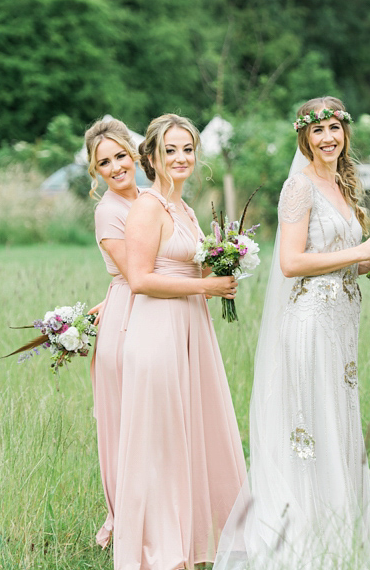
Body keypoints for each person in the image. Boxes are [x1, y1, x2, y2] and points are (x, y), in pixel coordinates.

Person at [214, 97, 370, 570]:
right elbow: (291, 262)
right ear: (304, 138)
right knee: (310, 429)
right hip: (311, 324)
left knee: (335, 423)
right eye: (318, 132)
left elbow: (338, 254)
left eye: (334, 128)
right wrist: (358, 251)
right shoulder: (298, 187)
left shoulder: (341, 183)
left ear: (345, 132)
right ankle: (301, 542)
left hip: (342, 327)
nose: (328, 138)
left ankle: (336, 534)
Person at [113, 113, 246, 570]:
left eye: (187, 148)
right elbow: (140, 279)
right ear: (151, 157)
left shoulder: (186, 209)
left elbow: (191, 266)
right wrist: (207, 288)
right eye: (170, 150)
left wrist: (225, 262)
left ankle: (191, 541)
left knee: (189, 435)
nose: (181, 157)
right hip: (157, 333)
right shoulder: (147, 207)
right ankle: (157, 549)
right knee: (160, 443)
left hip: (190, 328)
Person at [83, 117, 141, 548]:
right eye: (105, 162)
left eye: (121, 155)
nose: (117, 167)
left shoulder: (153, 198)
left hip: (150, 308)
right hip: (129, 320)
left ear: (135, 153)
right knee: (128, 425)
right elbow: (136, 275)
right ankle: (127, 518)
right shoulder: (109, 211)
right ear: (96, 171)